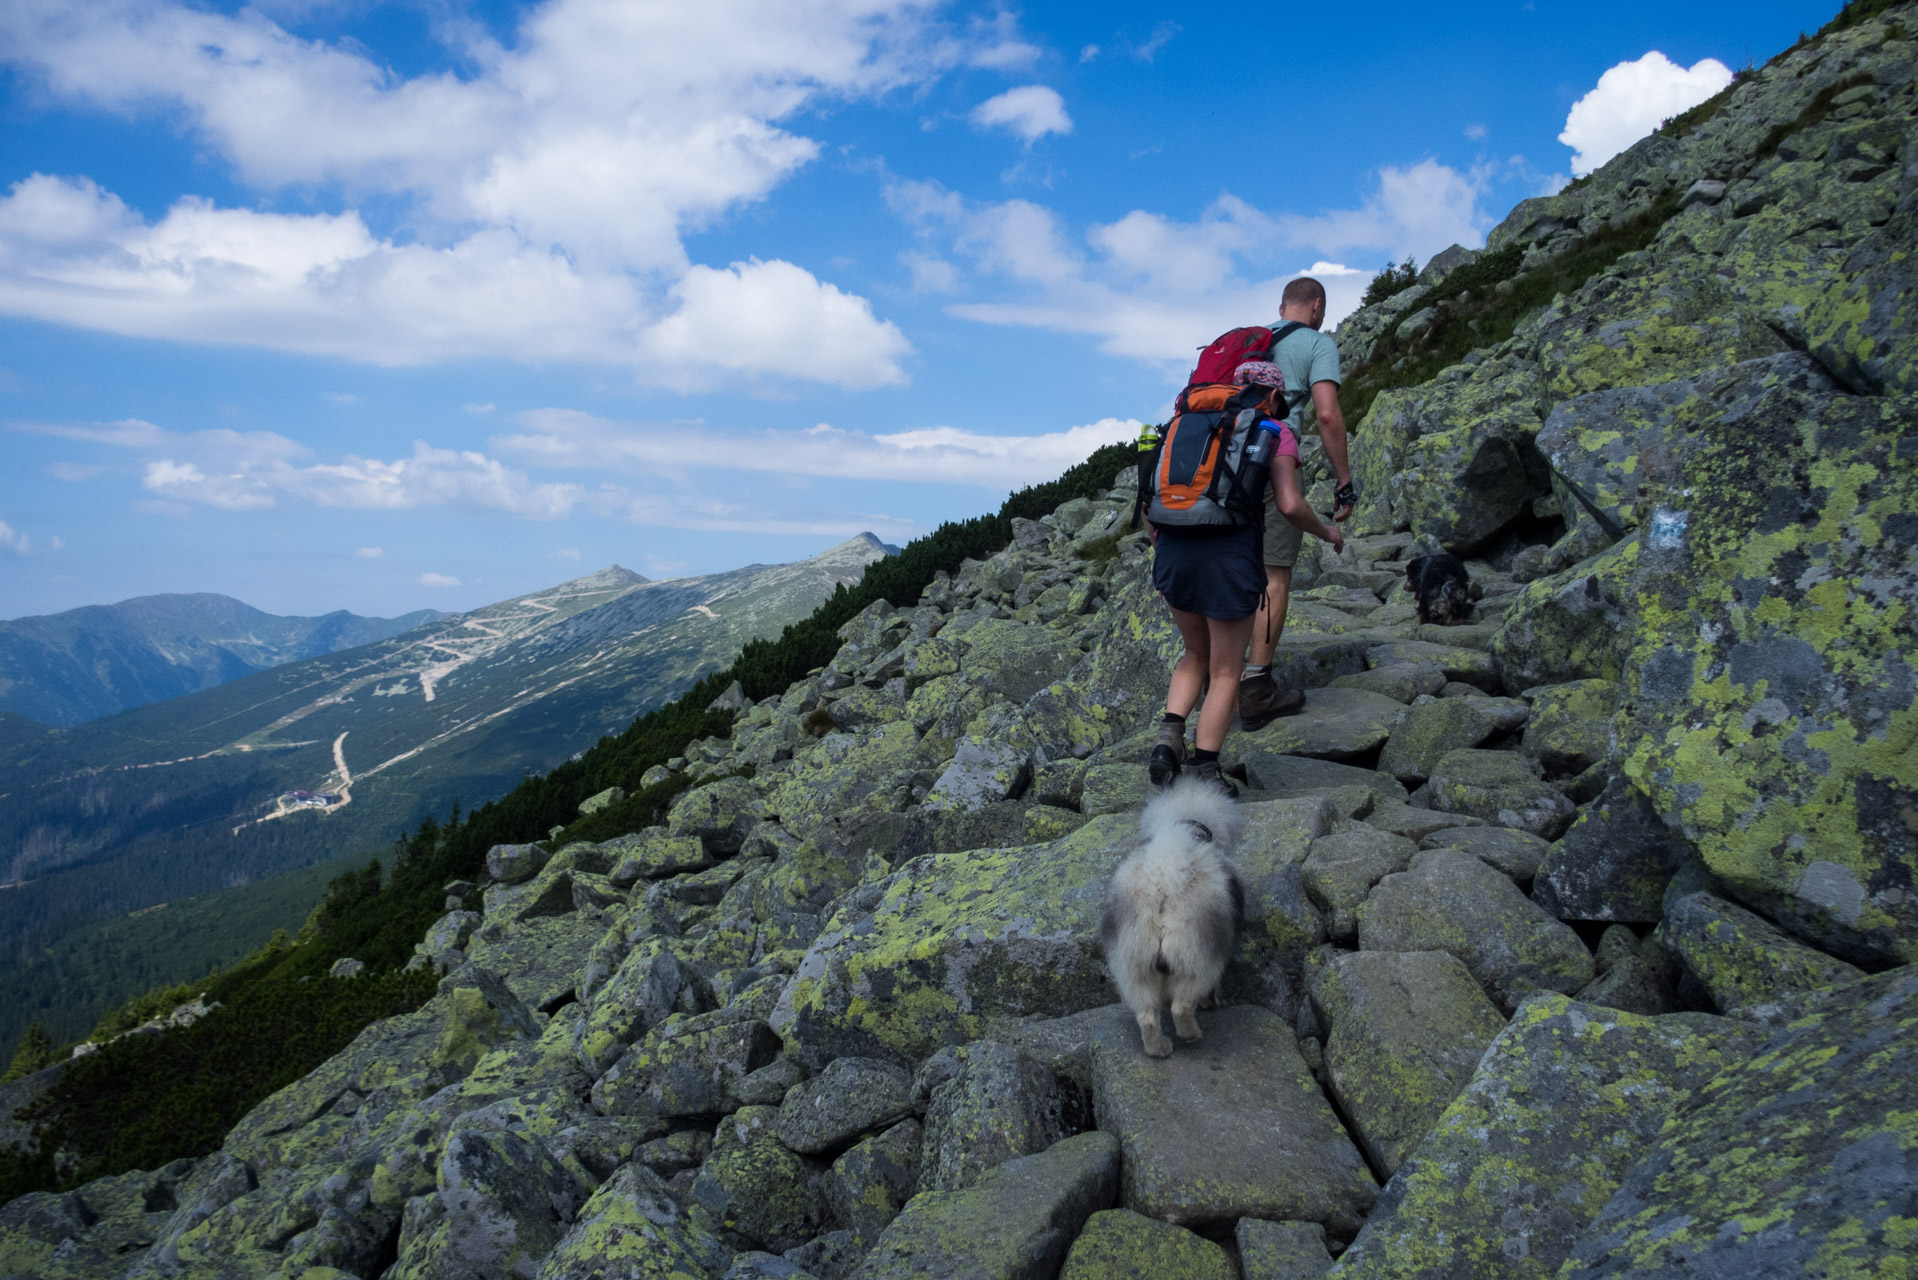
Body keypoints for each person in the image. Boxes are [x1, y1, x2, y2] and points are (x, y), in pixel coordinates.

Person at [1149, 362, 1346, 792]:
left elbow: (1151, 505)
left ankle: (1167, 741)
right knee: (1225, 670)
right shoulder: (1272, 429)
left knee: (1192, 654)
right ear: (1273, 395)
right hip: (1229, 556)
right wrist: (1327, 531)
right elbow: (1290, 505)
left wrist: (1166, 547)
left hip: (1173, 550)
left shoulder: (1185, 423)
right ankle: (1204, 770)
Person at [1237, 276, 1358, 730]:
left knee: (1235, 561)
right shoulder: (1317, 343)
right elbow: (1327, 413)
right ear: (1317, 305)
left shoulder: (1251, 341)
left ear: (1281, 305)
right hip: (1275, 458)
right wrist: (1344, 482)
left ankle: (1220, 677)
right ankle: (1256, 686)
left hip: (1226, 464)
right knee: (1273, 572)